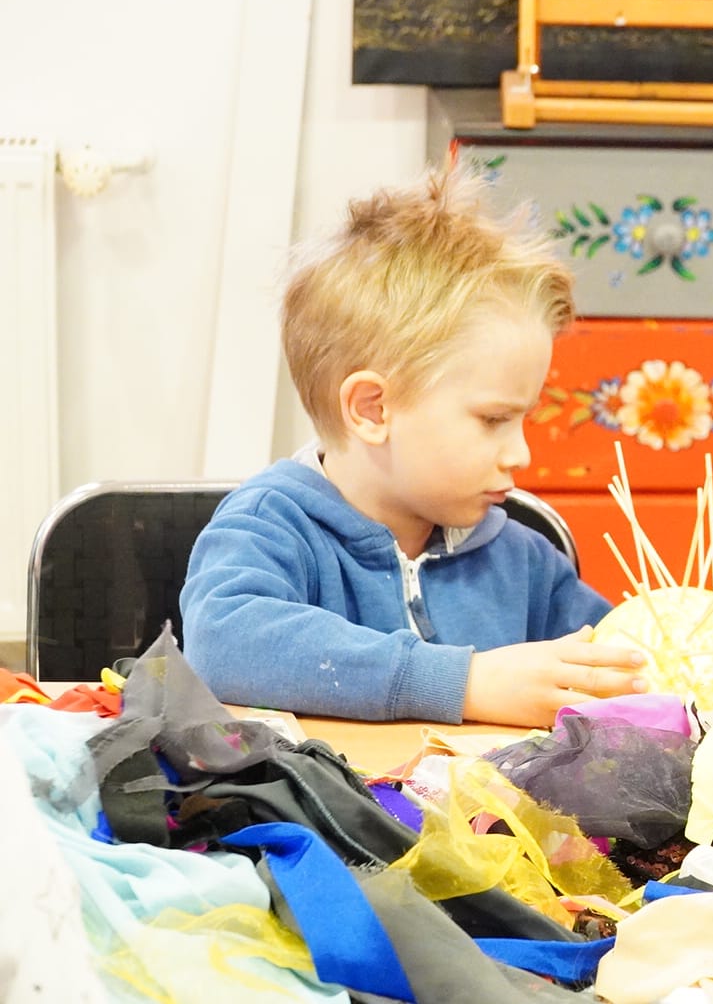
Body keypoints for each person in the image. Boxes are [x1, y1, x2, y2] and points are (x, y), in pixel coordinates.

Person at [180, 169, 647, 724]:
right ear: (372, 410)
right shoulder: (271, 527)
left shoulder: (525, 564)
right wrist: (463, 683)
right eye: (493, 419)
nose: (521, 454)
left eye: (523, 418)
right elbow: (222, 644)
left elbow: (628, 675)